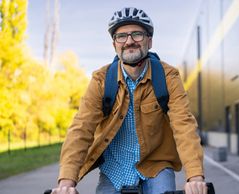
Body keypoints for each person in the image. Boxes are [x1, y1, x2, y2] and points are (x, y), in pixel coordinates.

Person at [51, 7, 206, 194]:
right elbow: (81, 128)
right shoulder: (101, 79)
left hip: (156, 165)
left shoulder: (168, 76)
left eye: (137, 34)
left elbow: (184, 126)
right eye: (121, 36)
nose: (129, 41)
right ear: (114, 44)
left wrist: (195, 178)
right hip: (114, 168)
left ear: (149, 41)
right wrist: (66, 183)